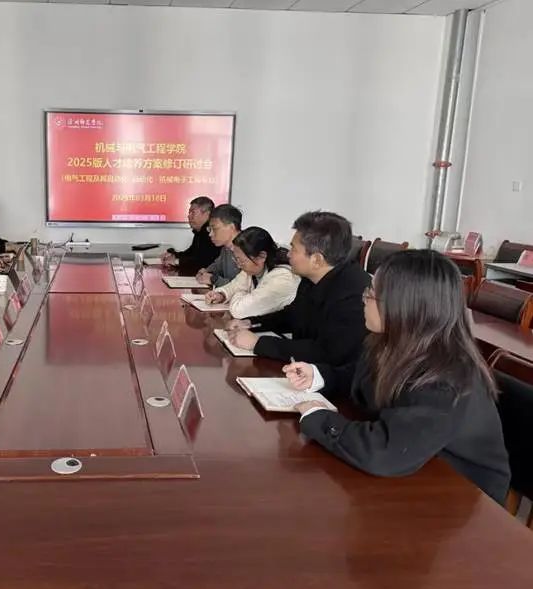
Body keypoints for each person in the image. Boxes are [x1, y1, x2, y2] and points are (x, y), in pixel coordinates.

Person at [283, 250, 510, 504]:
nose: (363, 299)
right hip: (416, 467)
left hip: (462, 497)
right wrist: (318, 376)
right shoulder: (393, 341)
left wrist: (319, 417)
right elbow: (363, 379)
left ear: (404, 307)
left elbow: (384, 452)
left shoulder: (445, 377)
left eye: (372, 293)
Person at [228, 211, 369, 365]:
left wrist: (258, 343)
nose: (288, 255)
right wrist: (251, 323)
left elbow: (327, 352)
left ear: (316, 259)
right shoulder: (310, 279)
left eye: (293, 249)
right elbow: (293, 316)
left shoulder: (354, 294)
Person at [205, 227, 299, 319]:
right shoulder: (255, 267)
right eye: (236, 259)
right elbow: (234, 286)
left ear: (261, 256)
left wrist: (241, 291)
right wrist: (221, 294)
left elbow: (239, 310)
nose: (239, 266)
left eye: (242, 261)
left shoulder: (282, 279)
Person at [160, 196, 217, 273]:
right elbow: (190, 253)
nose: (189, 216)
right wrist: (174, 255)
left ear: (207, 214)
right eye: (189, 213)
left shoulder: (212, 233)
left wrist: (177, 261)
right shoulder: (199, 232)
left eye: (193, 212)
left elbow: (204, 262)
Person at [196, 204, 242, 288]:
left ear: (231, 227)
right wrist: (205, 271)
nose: (210, 234)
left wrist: (214, 280)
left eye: (215, 229)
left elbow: (245, 288)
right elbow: (217, 266)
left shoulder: (249, 248)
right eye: (209, 229)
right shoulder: (226, 248)